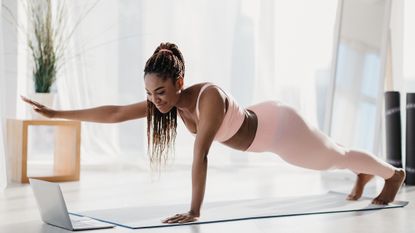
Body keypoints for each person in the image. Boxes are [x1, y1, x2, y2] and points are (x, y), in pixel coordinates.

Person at [22, 42, 406, 224]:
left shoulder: (207, 99)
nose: (155, 101)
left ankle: (393, 175)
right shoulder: (170, 104)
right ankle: (363, 171)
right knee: (335, 153)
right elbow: (117, 112)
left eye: (161, 92)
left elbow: (201, 155)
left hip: (281, 130)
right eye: (149, 94)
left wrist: (194, 211)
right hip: (268, 130)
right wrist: (58, 111)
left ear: (179, 82)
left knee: (332, 157)